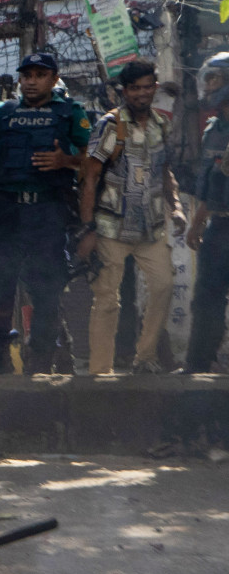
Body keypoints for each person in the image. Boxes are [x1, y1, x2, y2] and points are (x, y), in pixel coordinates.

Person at [0, 53, 90, 375]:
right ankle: (1, 357)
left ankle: (41, 361)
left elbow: (92, 159)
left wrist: (65, 161)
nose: (32, 81)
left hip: (47, 210)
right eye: (27, 75)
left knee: (46, 290)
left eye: (40, 75)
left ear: (54, 78)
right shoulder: (4, 113)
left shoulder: (70, 112)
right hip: (6, 209)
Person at [78, 61, 183, 374]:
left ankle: (145, 358)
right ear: (124, 91)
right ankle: (100, 372)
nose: (141, 93)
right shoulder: (111, 125)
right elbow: (90, 177)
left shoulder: (161, 125)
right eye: (135, 88)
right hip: (111, 228)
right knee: (107, 301)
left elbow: (165, 172)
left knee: (164, 286)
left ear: (155, 88)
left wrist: (176, 206)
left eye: (147, 87)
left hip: (151, 227)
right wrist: (87, 229)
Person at [184, 54, 229, 373]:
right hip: (219, 225)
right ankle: (199, 364)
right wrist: (197, 224)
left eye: (215, 79)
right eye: (208, 79)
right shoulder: (214, 130)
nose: (209, 85)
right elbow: (208, 185)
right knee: (205, 297)